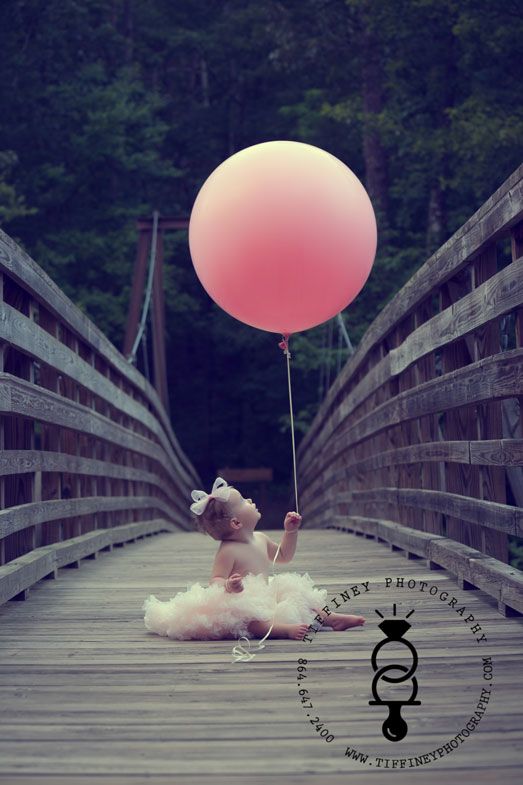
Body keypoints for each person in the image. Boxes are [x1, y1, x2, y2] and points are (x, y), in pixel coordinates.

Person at [142, 476, 365, 642]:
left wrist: (290, 532)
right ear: (236, 523)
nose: (250, 500)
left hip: (266, 595)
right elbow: (216, 580)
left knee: (297, 592)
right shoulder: (228, 551)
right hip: (243, 600)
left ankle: (331, 617)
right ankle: (282, 630)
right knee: (248, 620)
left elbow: (284, 557)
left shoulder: (260, 538)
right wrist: (229, 585)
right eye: (244, 502)